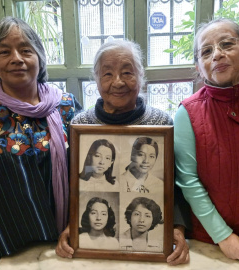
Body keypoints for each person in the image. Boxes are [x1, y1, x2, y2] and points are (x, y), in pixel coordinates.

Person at [57, 39, 191, 265]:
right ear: (96, 80)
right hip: (97, 249)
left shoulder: (161, 123)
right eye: (107, 74)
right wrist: (73, 224)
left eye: (127, 72)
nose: (117, 82)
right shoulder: (81, 125)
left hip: (151, 245)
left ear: (141, 76)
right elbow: (79, 185)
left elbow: (175, 185)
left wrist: (176, 227)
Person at [0, 16, 82, 269]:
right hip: (3, 247)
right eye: (4, 51)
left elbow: (89, 168)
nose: (16, 58)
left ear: (39, 57)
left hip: (70, 240)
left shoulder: (67, 106)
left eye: (26, 50)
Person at [174, 18, 239, 263]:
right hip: (208, 244)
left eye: (227, 44)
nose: (217, 55)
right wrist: (223, 236)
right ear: (199, 67)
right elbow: (188, 180)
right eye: (206, 51)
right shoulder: (187, 113)